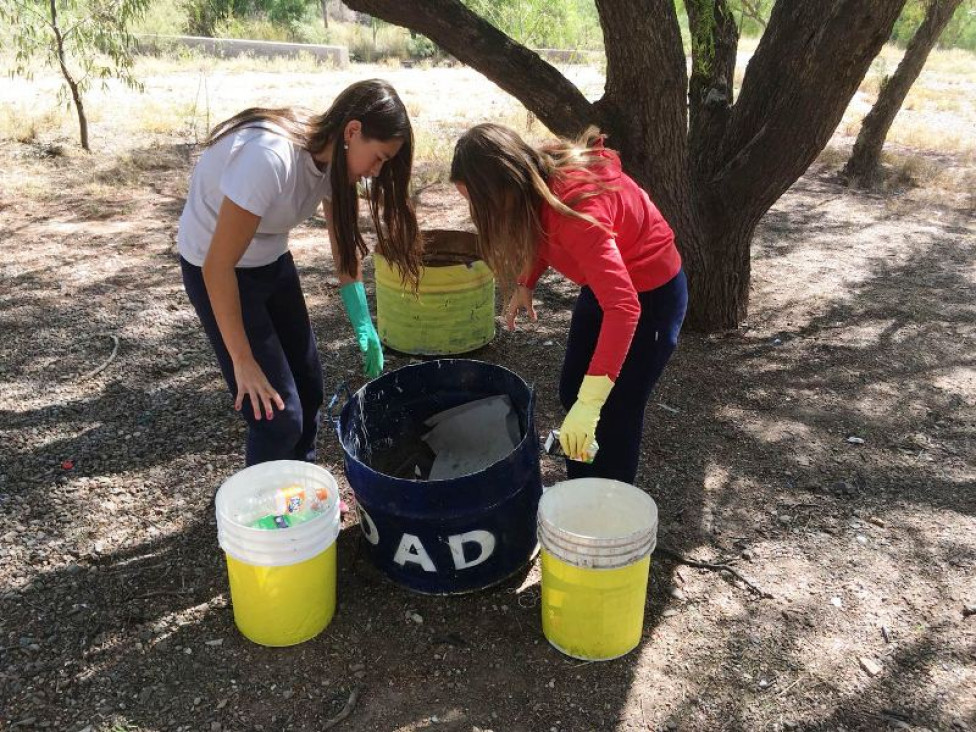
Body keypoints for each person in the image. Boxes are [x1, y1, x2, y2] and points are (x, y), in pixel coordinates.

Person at [178, 79, 421, 466]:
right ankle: (264, 516)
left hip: (271, 261)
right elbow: (217, 266)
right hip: (218, 272)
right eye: (379, 157)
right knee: (276, 417)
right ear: (353, 131)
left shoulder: (333, 160)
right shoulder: (269, 159)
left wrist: (363, 323)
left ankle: (301, 483)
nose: (376, 171)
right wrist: (243, 359)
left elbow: (344, 245)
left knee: (309, 391)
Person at [450, 123, 687, 485]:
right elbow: (534, 226)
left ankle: (608, 509)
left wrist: (592, 404)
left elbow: (624, 309)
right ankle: (582, 484)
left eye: (477, 202)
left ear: (505, 185)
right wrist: (526, 282)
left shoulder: (576, 213)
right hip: (607, 285)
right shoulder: (533, 182)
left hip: (651, 294)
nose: (475, 212)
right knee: (572, 389)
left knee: (615, 409)